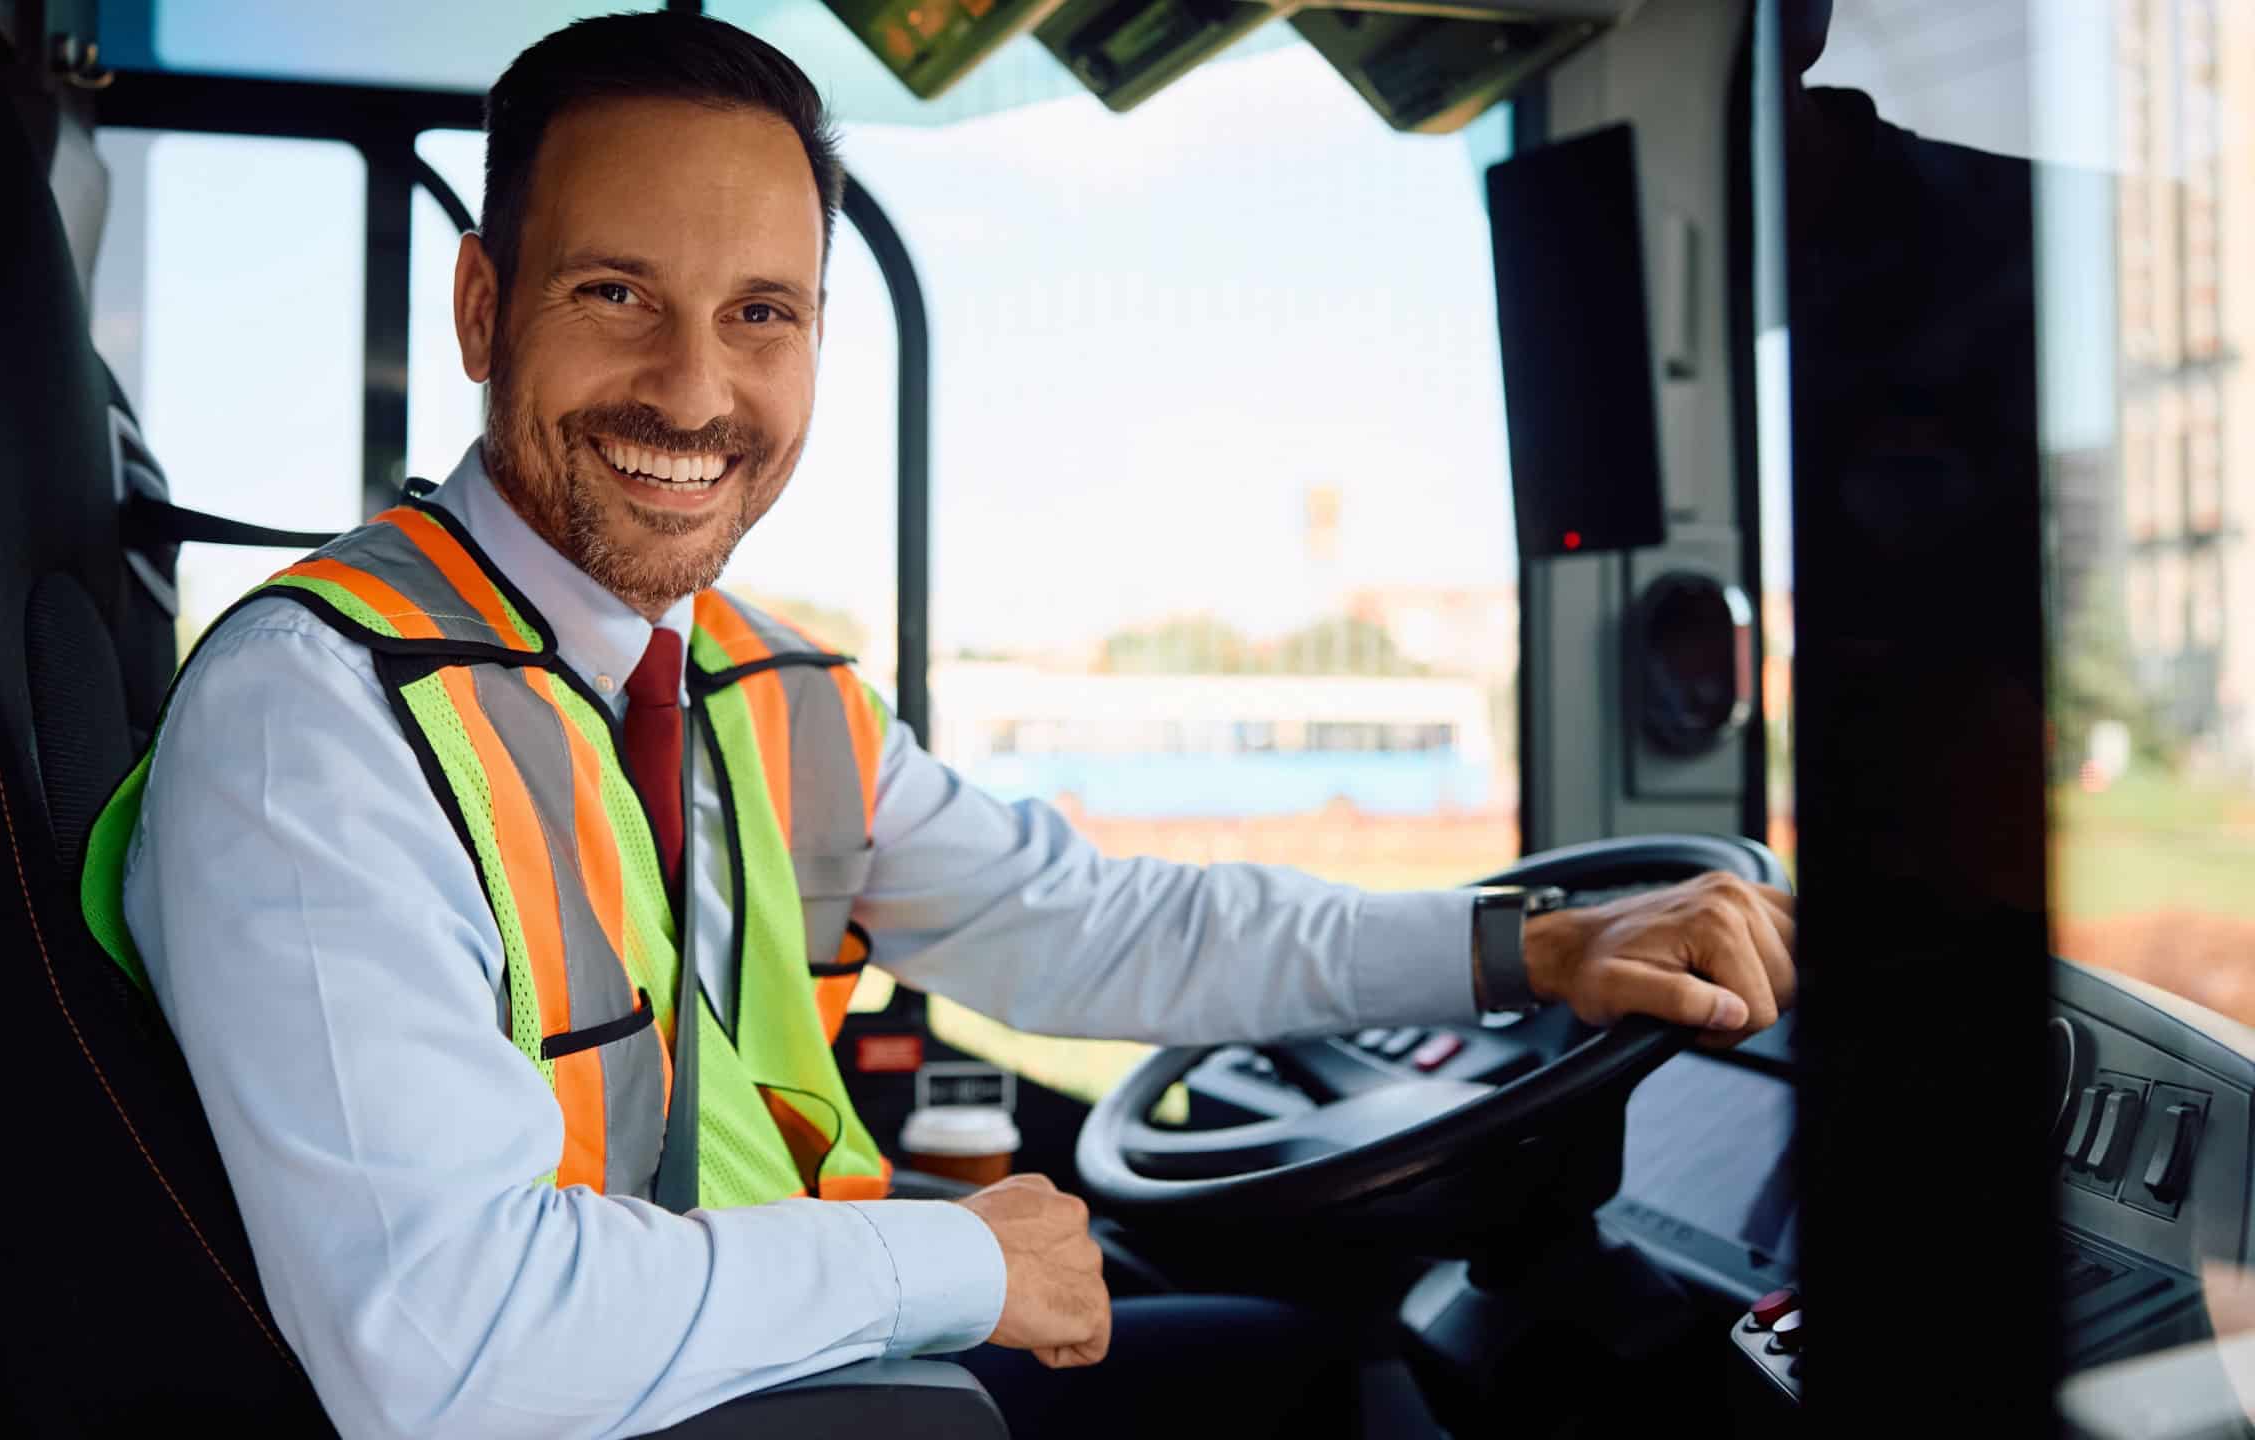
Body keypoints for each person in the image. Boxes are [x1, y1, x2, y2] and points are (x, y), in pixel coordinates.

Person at [89, 13, 1797, 1438]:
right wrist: (961, 1264)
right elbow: (446, 1350)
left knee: (1305, 1368)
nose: (694, 389)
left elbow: (1092, 925)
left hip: (753, 1367)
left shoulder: (759, 689)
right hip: (635, 1410)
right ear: (481, 307)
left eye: (761, 313)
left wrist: (1529, 950)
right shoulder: (318, 719)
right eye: (615, 293)